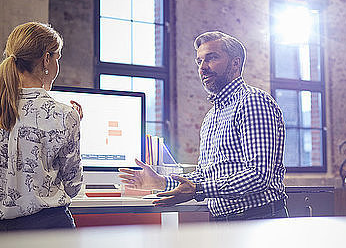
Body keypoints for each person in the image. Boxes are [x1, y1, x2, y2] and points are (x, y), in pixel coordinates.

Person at [119, 30, 287, 221]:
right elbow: (206, 175)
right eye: (199, 61)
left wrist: (198, 189)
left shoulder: (253, 102)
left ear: (235, 63)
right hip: (224, 220)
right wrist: (161, 182)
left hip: (258, 218)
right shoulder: (211, 117)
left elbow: (258, 176)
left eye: (211, 58)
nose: (202, 68)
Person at [0, 22, 82, 232]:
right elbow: (73, 185)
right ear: (46, 59)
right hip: (50, 229)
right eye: (57, 58)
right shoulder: (65, 114)